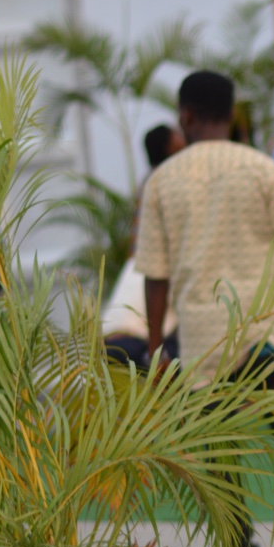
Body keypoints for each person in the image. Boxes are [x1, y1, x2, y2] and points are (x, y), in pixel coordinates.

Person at [135, 70, 274, 547]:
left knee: (219, 461)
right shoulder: (261, 168)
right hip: (264, 335)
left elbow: (155, 275)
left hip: (202, 343)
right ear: (232, 113)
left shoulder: (162, 180)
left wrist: (155, 349)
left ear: (186, 115)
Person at [102, 125, 185, 369]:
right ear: (169, 147)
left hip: (137, 271)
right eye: (177, 136)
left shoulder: (149, 181)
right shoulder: (169, 181)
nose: (183, 140)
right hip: (155, 271)